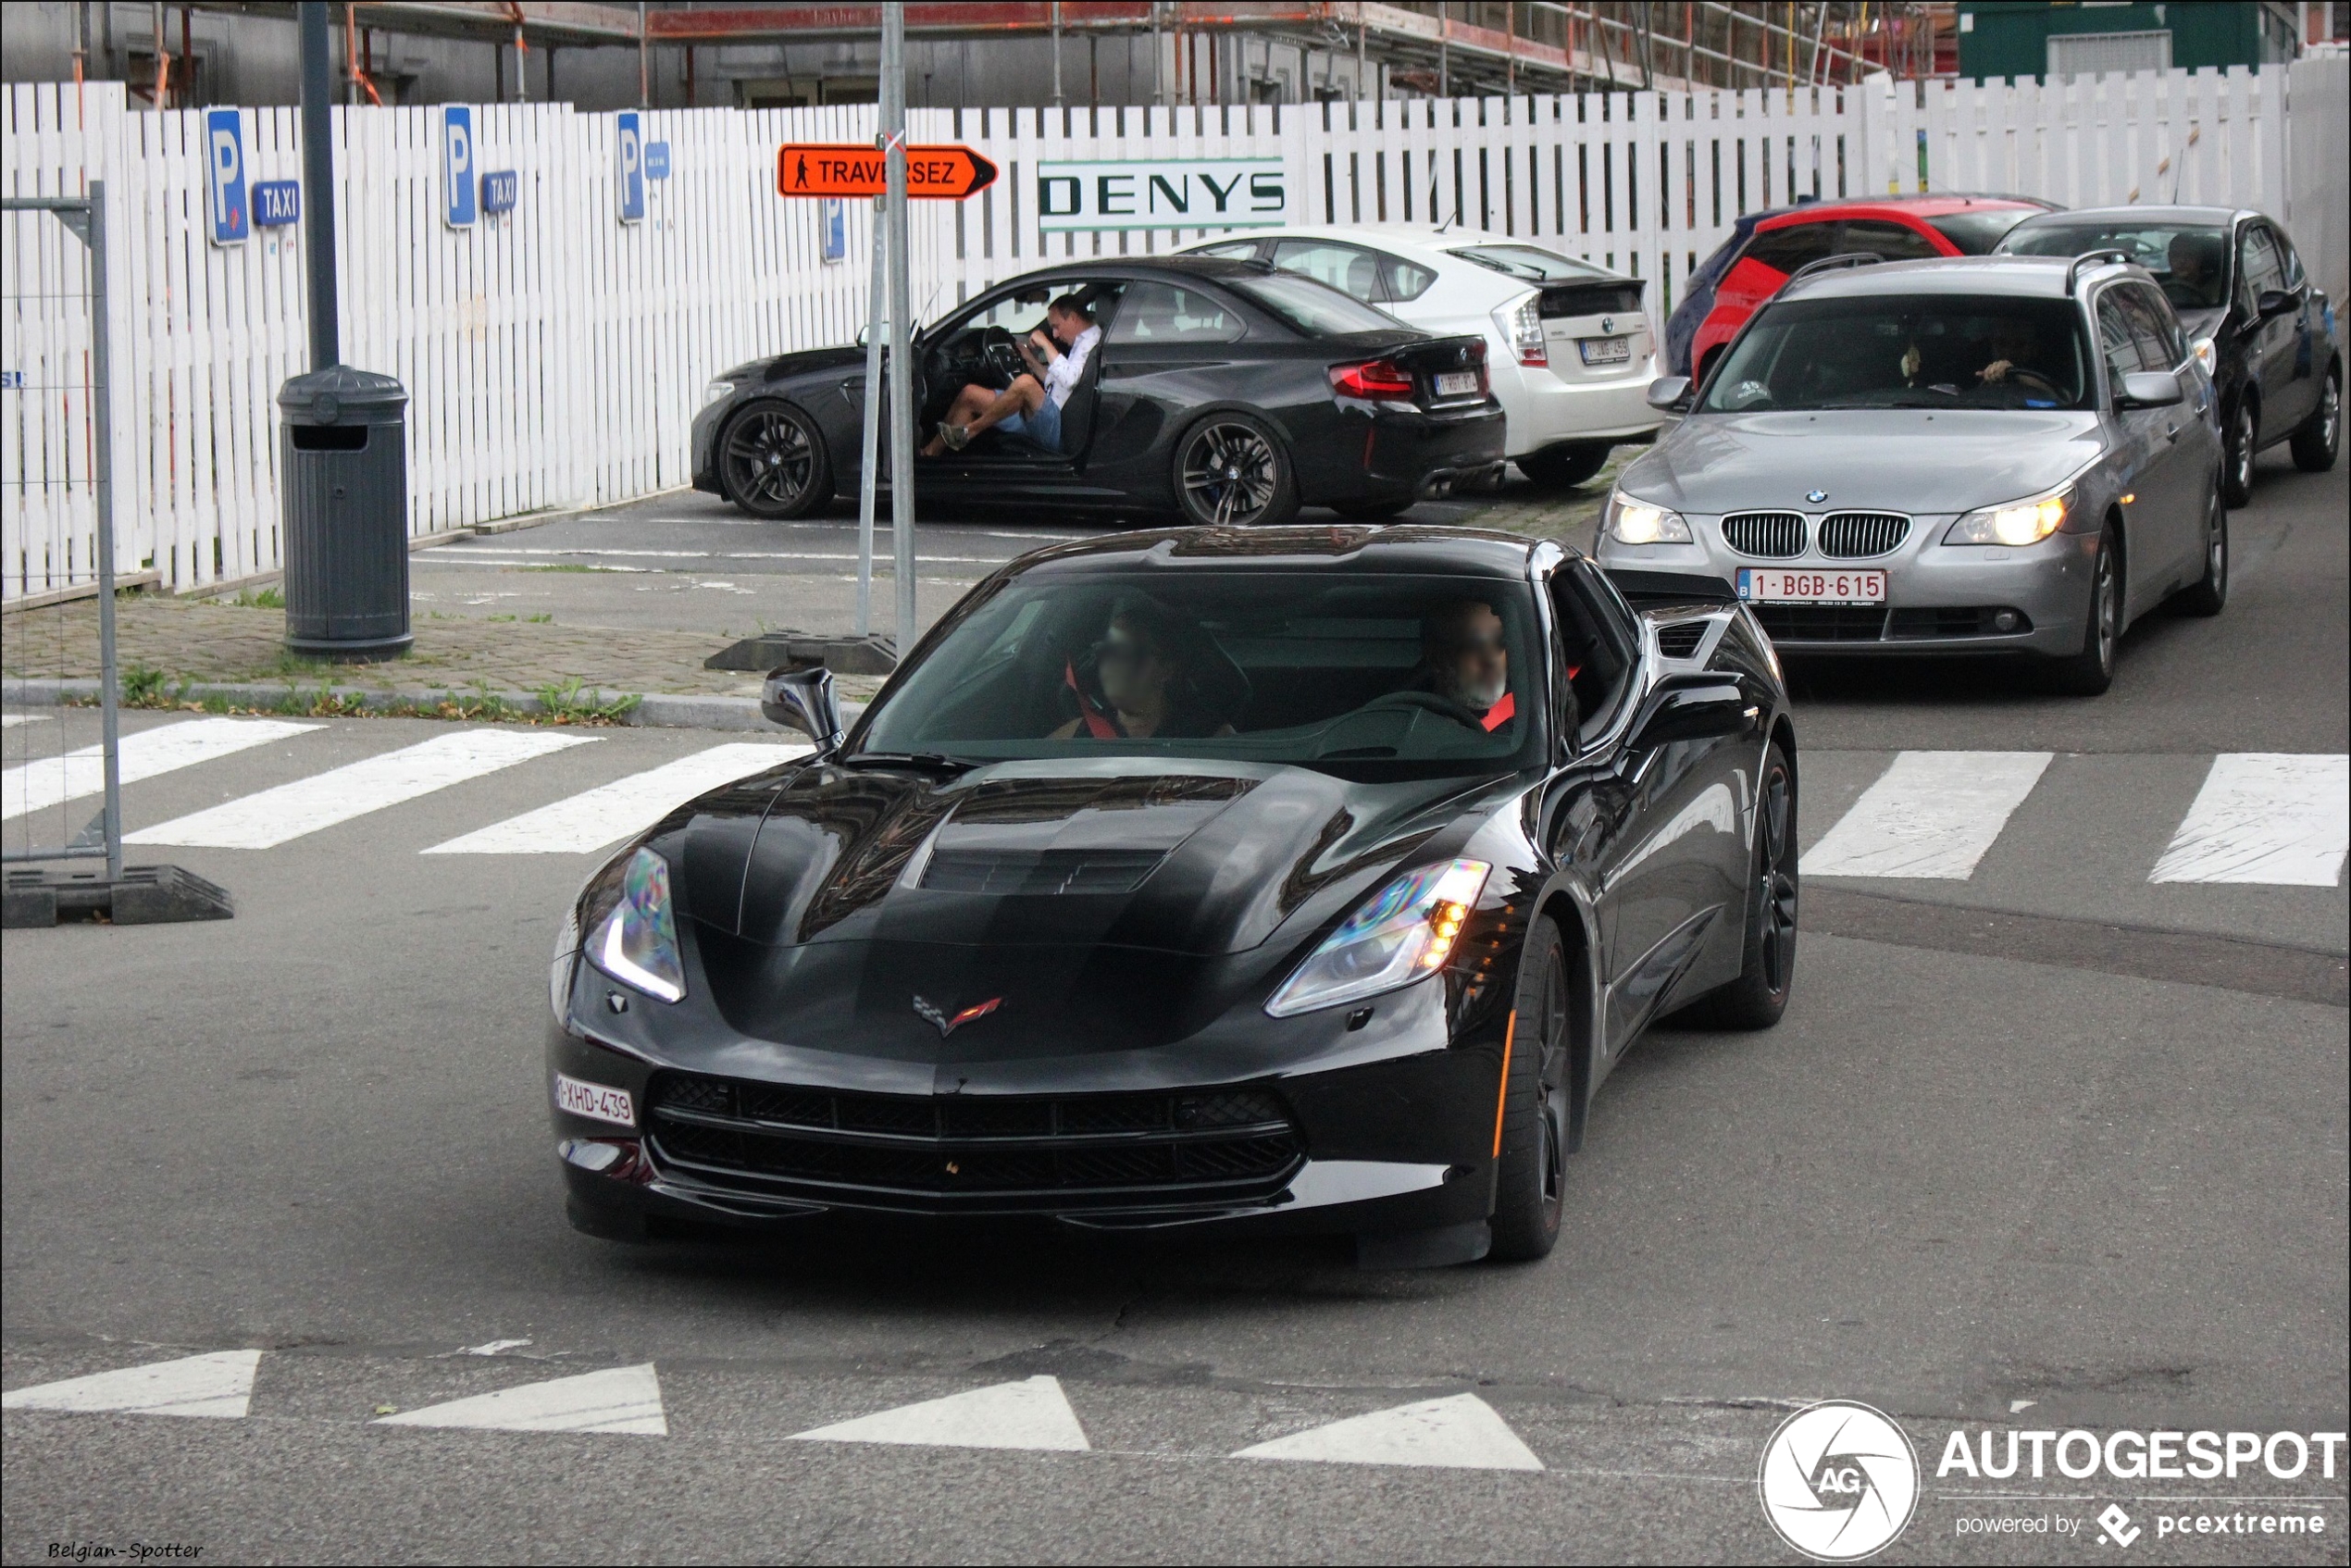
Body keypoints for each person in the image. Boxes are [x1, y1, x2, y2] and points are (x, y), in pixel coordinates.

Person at [923, 295, 1100, 458]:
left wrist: (1045, 343)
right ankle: (930, 454)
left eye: (1056, 326)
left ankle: (970, 431)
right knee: (970, 395)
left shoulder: (1090, 341)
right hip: (1043, 414)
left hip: (1057, 425)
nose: (1055, 334)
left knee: (1025, 383)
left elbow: (1070, 379)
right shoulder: (1081, 340)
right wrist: (1031, 361)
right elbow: (1059, 383)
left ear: (1073, 319)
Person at [1050, 597, 1236, 740]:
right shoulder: (1078, 734)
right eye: (1108, 651)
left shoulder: (1208, 737)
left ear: (1166, 670)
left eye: (1131, 654)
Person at [1417, 601, 1515, 731]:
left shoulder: (1533, 713)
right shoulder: (1415, 724)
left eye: (1499, 639)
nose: (1491, 657)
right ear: (1438, 660)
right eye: (1474, 644)